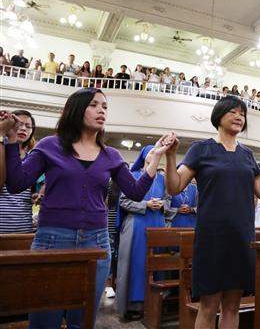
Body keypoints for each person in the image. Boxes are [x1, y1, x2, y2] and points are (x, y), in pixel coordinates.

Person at [2, 87, 170, 328]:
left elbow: (135, 192)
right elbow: (16, 183)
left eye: (104, 106)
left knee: (81, 321)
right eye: (94, 105)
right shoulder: (50, 145)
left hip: (96, 240)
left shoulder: (111, 155)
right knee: (44, 320)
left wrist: (155, 158)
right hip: (53, 239)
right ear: (76, 109)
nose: (101, 110)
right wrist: (10, 140)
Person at [162, 96, 260, 329]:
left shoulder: (247, 154)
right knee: (208, 306)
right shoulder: (201, 149)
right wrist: (170, 155)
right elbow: (174, 187)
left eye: (242, 114)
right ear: (219, 116)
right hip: (212, 237)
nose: (239, 117)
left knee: (232, 305)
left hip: (241, 236)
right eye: (233, 112)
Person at [116, 145, 171, 320]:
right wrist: (145, 204)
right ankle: (134, 306)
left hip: (157, 224)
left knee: (156, 264)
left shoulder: (162, 179)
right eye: (151, 152)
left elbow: (169, 199)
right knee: (136, 264)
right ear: (144, 156)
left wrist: (162, 204)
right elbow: (123, 201)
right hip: (137, 225)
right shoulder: (133, 175)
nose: (155, 154)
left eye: (157, 152)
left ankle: (155, 302)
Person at [0, 110, 36, 233]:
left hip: (23, 229)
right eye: (19, 124)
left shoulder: (33, 158)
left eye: (28, 126)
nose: (23, 129)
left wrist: (36, 195)